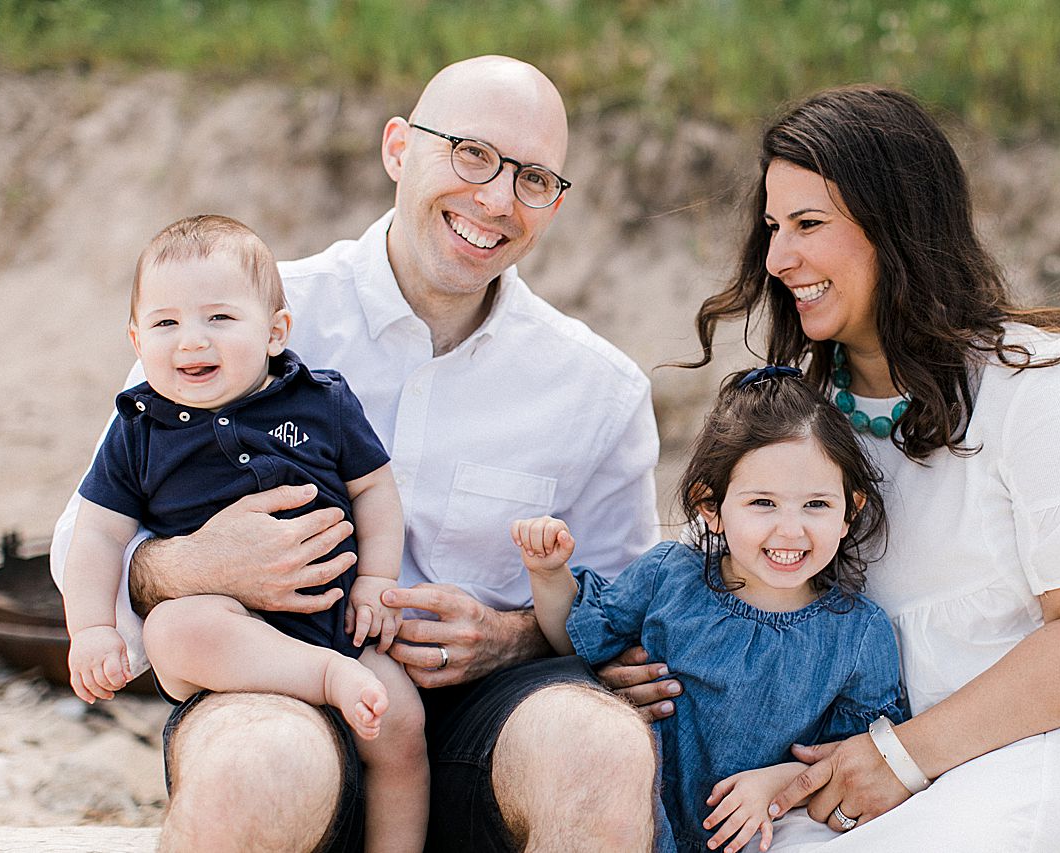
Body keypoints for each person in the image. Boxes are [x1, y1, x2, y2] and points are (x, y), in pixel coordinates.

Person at [52, 56, 671, 853]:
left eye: (535, 178)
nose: (495, 199)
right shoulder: (229, 313)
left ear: (553, 204)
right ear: (398, 149)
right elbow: (80, 546)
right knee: (251, 761)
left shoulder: (598, 389)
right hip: (281, 678)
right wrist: (196, 565)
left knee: (600, 746)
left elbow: (623, 606)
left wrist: (511, 634)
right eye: (472, 154)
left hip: (499, 707)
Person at [689, 85, 1060, 851]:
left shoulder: (1033, 382)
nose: (777, 258)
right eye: (771, 227)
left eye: (808, 224)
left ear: (895, 224)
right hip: (878, 754)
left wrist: (904, 755)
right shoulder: (805, 417)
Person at [61, 214, 427, 853]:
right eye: (165, 322)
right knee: (174, 629)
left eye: (220, 319)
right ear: (135, 338)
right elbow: (95, 535)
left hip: (334, 626)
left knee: (401, 727)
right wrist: (91, 627)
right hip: (222, 639)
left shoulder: (320, 402)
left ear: (275, 331)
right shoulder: (140, 430)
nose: (191, 341)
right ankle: (318, 679)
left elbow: (375, 490)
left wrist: (375, 579)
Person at [511, 366, 905, 853]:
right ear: (710, 507)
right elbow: (575, 641)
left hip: (753, 838)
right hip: (627, 824)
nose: (790, 529)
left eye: (817, 505)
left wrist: (775, 781)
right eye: (763, 502)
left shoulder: (858, 633)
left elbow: (857, 758)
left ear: (851, 510)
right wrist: (548, 574)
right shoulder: (669, 577)